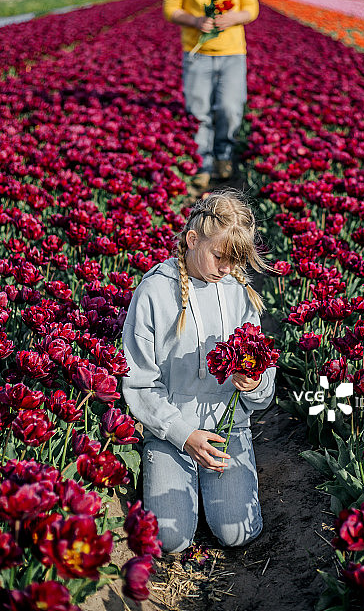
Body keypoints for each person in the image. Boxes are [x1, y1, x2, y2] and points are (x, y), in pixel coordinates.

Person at [122, 190, 275, 553]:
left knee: (238, 533)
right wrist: (183, 434)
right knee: (170, 540)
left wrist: (254, 383)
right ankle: (176, 480)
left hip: (227, 429)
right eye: (220, 256)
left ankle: (213, 499)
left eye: (235, 260)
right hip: (171, 431)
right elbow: (140, 381)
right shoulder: (154, 292)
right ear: (192, 240)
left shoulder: (239, 292)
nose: (226, 269)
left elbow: (265, 375)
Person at [163, 0, 259, 190]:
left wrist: (233, 17)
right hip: (197, 53)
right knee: (198, 111)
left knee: (230, 107)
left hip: (232, 52)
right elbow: (170, 10)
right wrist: (195, 21)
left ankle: (223, 155)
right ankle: (202, 165)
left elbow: (252, 9)